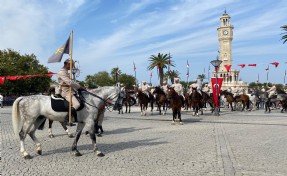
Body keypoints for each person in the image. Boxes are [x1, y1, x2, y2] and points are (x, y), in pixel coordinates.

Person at [57, 59, 85, 126]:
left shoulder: (66, 72)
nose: (72, 67)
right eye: (71, 65)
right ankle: (66, 119)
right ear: (67, 64)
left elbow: (71, 82)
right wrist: (79, 87)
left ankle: (76, 117)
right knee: (77, 104)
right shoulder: (62, 72)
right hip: (66, 91)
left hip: (71, 90)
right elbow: (69, 82)